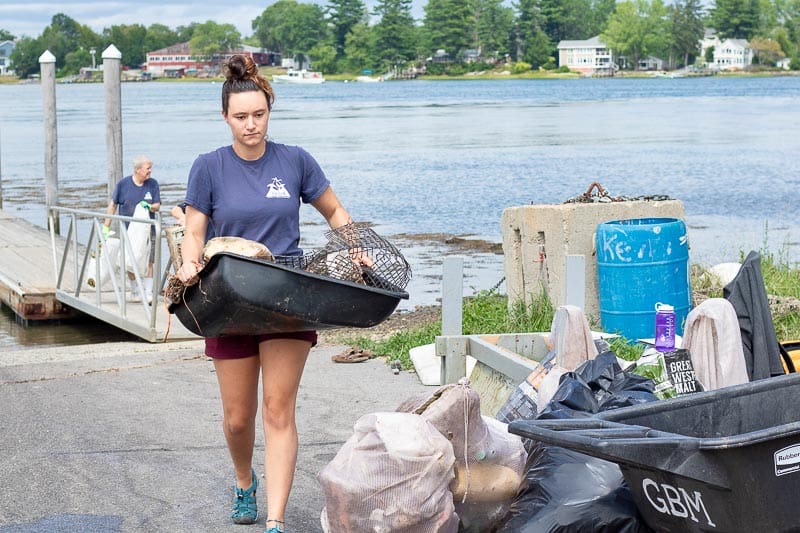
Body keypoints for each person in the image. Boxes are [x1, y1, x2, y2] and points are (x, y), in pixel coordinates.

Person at [176, 54, 357, 533]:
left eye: (258, 115)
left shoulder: (295, 160)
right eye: (241, 117)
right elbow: (194, 230)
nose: (250, 125)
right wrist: (189, 260)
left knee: (279, 410)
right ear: (225, 117)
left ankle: (275, 520)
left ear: (268, 112)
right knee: (238, 419)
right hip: (229, 297)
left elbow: (335, 211)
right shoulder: (209, 167)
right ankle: (243, 481)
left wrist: (358, 249)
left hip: (287, 297)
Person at [103, 155, 161, 301]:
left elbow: (157, 205)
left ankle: (148, 292)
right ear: (138, 169)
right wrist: (106, 227)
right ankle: (135, 289)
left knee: (149, 259)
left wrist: (148, 206)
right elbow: (113, 205)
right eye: (148, 168)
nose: (150, 171)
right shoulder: (123, 184)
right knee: (129, 260)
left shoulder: (153, 184)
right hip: (127, 230)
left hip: (148, 230)